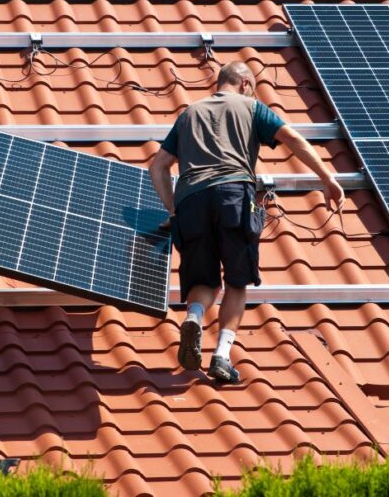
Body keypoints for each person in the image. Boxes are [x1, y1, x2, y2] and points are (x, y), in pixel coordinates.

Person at [148, 61, 345, 384]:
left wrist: (173, 211)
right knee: (237, 281)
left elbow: (158, 167)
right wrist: (327, 178)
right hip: (234, 195)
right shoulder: (252, 107)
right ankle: (222, 356)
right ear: (243, 83)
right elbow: (293, 139)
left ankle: (195, 317)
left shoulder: (188, 115)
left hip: (191, 201)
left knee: (204, 279)